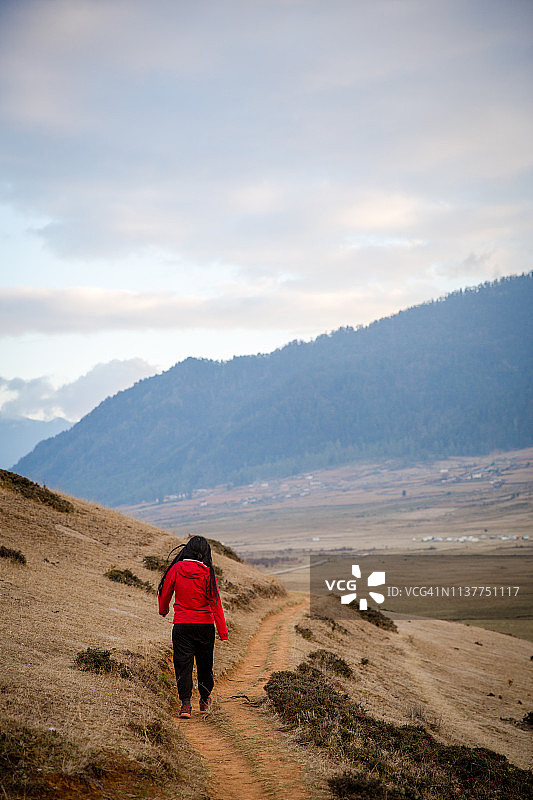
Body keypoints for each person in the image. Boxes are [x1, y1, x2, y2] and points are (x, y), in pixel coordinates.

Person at [158, 535, 228, 718]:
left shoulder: (176, 569)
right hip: (205, 626)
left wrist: (163, 610)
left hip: (182, 625)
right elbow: (215, 602)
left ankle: (185, 705)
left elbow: (165, 591)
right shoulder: (207, 572)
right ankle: (204, 701)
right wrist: (222, 631)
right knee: (205, 664)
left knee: (183, 664)